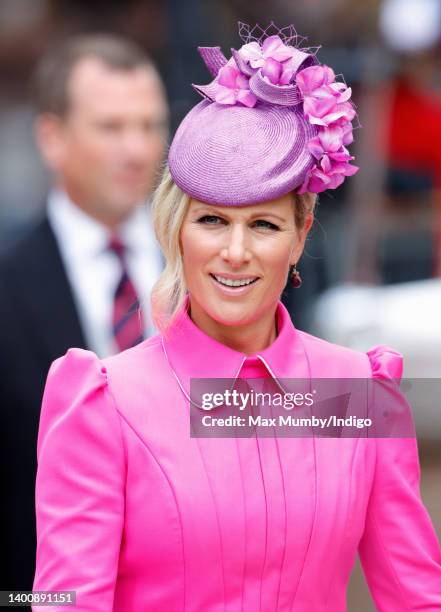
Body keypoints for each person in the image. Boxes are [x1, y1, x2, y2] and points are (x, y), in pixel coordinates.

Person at [32, 24, 441, 610]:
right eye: (212, 220)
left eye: (265, 225)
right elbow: (62, 602)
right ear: (177, 227)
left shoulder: (355, 394)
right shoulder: (104, 401)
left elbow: (418, 596)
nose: (235, 251)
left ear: (300, 235)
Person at [0, 34, 168, 592]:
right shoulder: (9, 281)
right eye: (112, 127)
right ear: (52, 138)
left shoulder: (218, 265)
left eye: (149, 125)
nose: (137, 149)